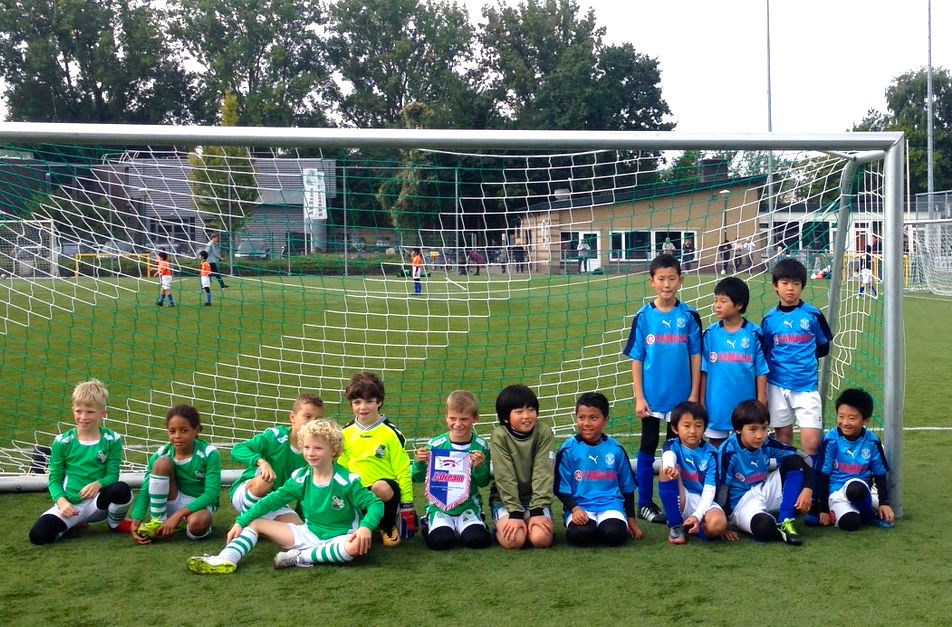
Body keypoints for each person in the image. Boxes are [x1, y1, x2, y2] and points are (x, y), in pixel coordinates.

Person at [186, 419, 384, 573]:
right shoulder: (301, 477)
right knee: (255, 523)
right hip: (308, 533)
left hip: (340, 536)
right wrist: (241, 521)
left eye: (318, 448)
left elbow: (376, 504)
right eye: (306, 447)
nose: (311, 453)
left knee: (355, 547)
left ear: (334, 451)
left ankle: (301, 558)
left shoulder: (347, 480)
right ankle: (226, 558)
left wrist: (366, 527)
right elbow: (272, 501)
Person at [622, 254, 702, 524]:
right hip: (652, 397)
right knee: (648, 444)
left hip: (681, 397)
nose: (666, 284)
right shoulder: (643, 316)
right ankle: (645, 503)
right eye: (661, 279)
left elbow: (695, 356)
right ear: (651, 282)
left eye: (671, 279)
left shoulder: (689, 316)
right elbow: (637, 358)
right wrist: (639, 397)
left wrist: (694, 394)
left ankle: (677, 499)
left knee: (675, 448)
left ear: (681, 280)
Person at [29, 379, 133, 544]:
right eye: (79, 411)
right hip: (72, 504)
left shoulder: (112, 439)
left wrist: (98, 484)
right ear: (73, 410)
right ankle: (72, 524)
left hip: (98, 503)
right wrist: (62, 502)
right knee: (38, 536)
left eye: (90, 412)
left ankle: (115, 523)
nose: (83, 417)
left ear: (103, 413)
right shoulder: (62, 442)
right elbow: (54, 479)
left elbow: (112, 475)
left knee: (121, 489)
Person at [761, 258, 833, 461]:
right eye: (784, 283)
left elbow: (823, 346)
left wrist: (802, 362)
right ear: (775, 286)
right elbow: (767, 351)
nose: (790, 288)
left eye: (796, 283)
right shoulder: (769, 319)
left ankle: (813, 481)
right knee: (783, 442)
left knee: (812, 444)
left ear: (803, 286)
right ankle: (786, 479)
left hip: (806, 387)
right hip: (777, 386)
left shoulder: (812, 314)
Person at [717, 400, 813, 545]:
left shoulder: (767, 443)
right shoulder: (728, 451)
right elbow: (722, 488)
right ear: (738, 429)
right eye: (753, 429)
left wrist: (808, 488)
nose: (760, 435)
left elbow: (805, 458)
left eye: (764, 428)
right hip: (741, 503)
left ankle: (785, 520)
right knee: (764, 527)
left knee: (794, 461)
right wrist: (723, 523)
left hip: (765, 489)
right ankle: (775, 519)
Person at [337, 372, 416, 547]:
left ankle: (386, 525)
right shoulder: (345, 433)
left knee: (380, 487)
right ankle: (360, 522)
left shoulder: (390, 433)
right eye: (357, 402)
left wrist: (407, 504)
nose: (363, 407)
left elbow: (402, 468)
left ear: (379, 401)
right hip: (358, 491)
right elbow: (340, 466)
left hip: (385, 491)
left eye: (369, 401)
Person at [554, 392, 643, 547]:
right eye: (582, 417)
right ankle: (590, 527)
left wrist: (631, 519)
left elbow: (627, 488)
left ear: (605, 420)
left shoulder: (615, 449)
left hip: (610, 504)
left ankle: (608, 525)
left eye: (593, 418)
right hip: (580, 506)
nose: (586, 423)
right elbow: (560, 488)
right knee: (580, 535)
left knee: (614, 535)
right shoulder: (568, 449)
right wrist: (574, 509)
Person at [411, 391, 492, 550]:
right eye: (453, 418)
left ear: (475, 418)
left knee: (477, 540)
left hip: (468, 506)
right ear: (446, 417)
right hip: (439, 507)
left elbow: (483, 482)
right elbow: (418, 478)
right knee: (440, 542)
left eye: (464, 419)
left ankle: (477, 521)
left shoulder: (481, 446)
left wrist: (479, 467)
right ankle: (429, 522)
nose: (458, 424)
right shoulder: (435, 445)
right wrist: (418, 463)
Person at [130, 404, 221, 543]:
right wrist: (136, 520)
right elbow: (145, 488)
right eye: (172, 431)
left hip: (198, 503)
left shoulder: (209, 454)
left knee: (198, 524)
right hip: (172, 497)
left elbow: (211, 494)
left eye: (184, 430)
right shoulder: (163, 452)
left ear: (197, 430)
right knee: (161, 464)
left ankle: (188, 525)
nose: (177, 436)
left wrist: (178, 515)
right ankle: (158, 522)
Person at [229, 394, 324, 524]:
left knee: (296, 527)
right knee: (266, 480)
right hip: (247, 492)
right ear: (292, 417)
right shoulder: (275, 437)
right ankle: (245, 520)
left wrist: (303, 522)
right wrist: (261, 462)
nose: (312, 423)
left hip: (275, 500)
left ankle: (254, 525)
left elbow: (306, 491)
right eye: (307, 417)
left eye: (318, 419)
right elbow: (238, 449)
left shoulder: (315, 453)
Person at [700, 277, 769, 446]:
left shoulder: (754, 334)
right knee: (717, 450)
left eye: (723, 301)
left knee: (745, 449)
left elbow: (761, 371)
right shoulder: (710, 334)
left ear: (738, 305)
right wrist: (701, 401)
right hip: (717, 407)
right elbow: (704, 371)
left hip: (746, 408)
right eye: (716, 300)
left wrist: (761, 402)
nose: (717, 305)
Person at [812, 388, 894, 531]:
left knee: (856, 488)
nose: (845, 422)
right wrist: (823, 509)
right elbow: (823, 475)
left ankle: (869, 514)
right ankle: (858, 513)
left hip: (862, 491)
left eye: (852, 418)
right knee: (850, 523)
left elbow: (880, 474)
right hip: (837, 493)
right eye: (841, 416)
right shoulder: (831, 440)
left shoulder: (872, 441)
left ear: (865, 421)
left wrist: (884, 503)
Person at [488, 384, 555, 549]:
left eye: (531, 410)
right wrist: (515, 512)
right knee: (515, 540)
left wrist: (537, 510)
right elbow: (504, 476)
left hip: (535, 500)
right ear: (505, 417)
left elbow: (544, 472)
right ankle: (499, 530)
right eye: (519, 412)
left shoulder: (543, 432)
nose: (526, 416)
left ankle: (532, 521)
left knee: (541, 539)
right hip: (506, 502)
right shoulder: (500, 436)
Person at [658, 402, 730, 544]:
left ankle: (693, 526)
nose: (692, 431)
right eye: (686, 426)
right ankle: (676, 525)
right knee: (665, 471)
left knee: (718, 524)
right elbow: (668, 456)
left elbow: (709, 490)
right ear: (675, 428)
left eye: (698, 426)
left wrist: (697, 515)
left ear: (704, 428)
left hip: (703, 501)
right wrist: (670, 467)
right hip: (681, 498)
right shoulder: (672, 445)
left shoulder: (711, 454)